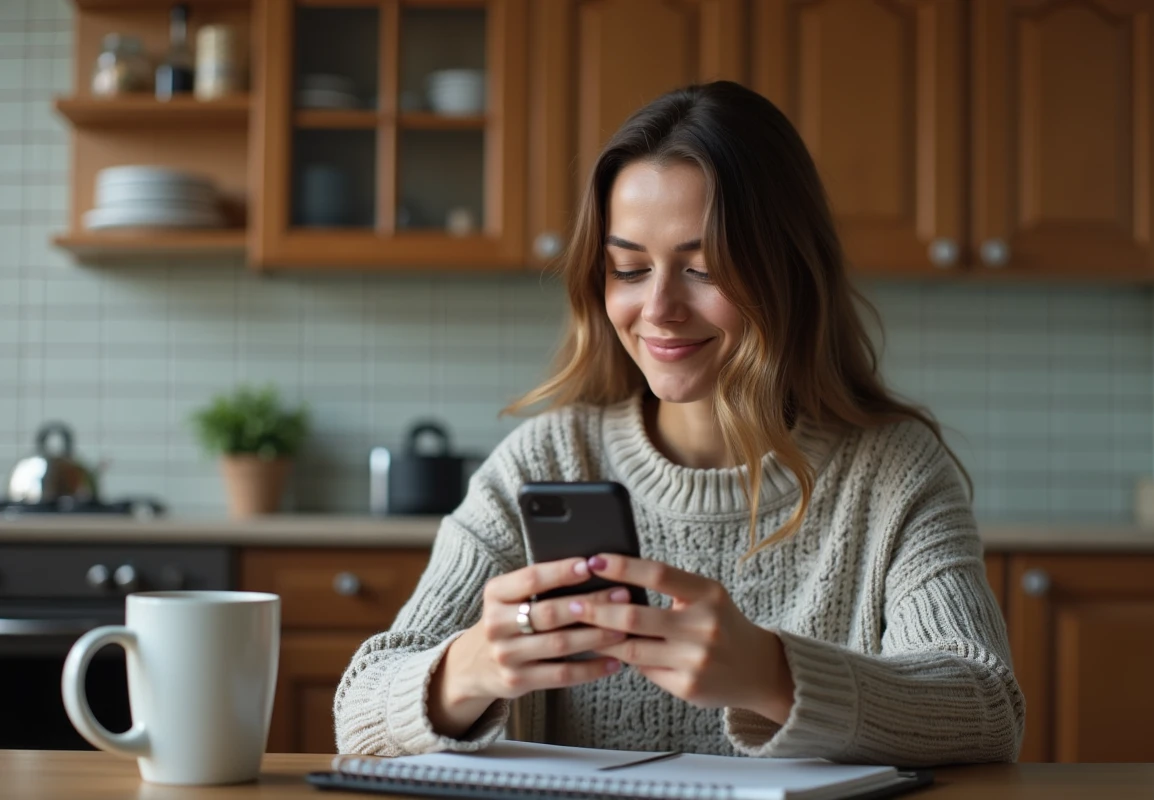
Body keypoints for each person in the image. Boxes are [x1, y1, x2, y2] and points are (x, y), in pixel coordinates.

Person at [334, 81, 1024, 766]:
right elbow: (360, 710)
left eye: (702, 268)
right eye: (628, 268)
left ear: (787, 270)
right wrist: (469, 669)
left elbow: (986, 706)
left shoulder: (894, 473)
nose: (658, 308)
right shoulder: (544, 461)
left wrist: (771, 675)